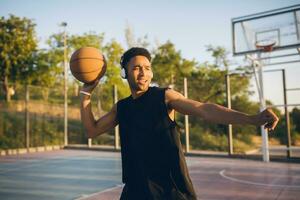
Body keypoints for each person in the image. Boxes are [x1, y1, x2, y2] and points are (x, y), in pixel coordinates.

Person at [79, 47, 279, 200]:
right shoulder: (121, 107)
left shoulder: (164, 97)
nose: (143, 73)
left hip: (171, 190)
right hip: (135, 190)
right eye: (137, 68)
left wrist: (252, 118)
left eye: (147, 68)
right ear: (125, 72)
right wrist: (86, 93)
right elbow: (91, 130)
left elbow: (204, 110)